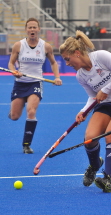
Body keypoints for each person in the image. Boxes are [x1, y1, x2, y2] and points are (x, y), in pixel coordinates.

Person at [59, 30, 111, 193]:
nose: (67, 63)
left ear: (77, 53)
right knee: (89, 138)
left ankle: (109, 179)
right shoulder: (80, 76)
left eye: (68, 59)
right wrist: (83, 111)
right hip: (105, 105)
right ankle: (95, 165)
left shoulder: (101, 57)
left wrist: (106, 90)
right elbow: (92, 97)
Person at [8, 17, 62, 154]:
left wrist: (57, 77)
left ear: (38, 29)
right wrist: (15, 71)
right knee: (14, 116)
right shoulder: (18, 45)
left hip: (36, 82)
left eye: (34, 27)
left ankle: (26, 144)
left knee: (31, 111)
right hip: (20, 83)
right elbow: (10, 63)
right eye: (29, 27)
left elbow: (54, 63)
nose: (32, 30)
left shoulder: (45, 46)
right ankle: (14, 112)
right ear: (26, 30)